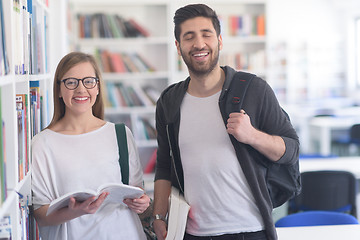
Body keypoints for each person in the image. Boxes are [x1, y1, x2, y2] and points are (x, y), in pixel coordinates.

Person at [152, 4, 299, 240]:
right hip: (192, 233)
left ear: (219, 40)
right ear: (179, 48)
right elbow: (164, 165)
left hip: (250, 230)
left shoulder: (254, 89)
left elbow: (291, 150)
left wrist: (253, 136)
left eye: (206, 34)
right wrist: (158, 216)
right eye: (189, 37)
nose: (199, 44)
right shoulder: (169, 101)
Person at [31, 52, 150, 240]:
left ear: (97, 88)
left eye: (89, 81)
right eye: (71, 82)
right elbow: (40, 215)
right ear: (59, 90)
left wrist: (142, 203)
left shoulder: (120, 134)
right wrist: (77, 211)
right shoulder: (42, 144)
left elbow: (137, 191)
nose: (81, 89)